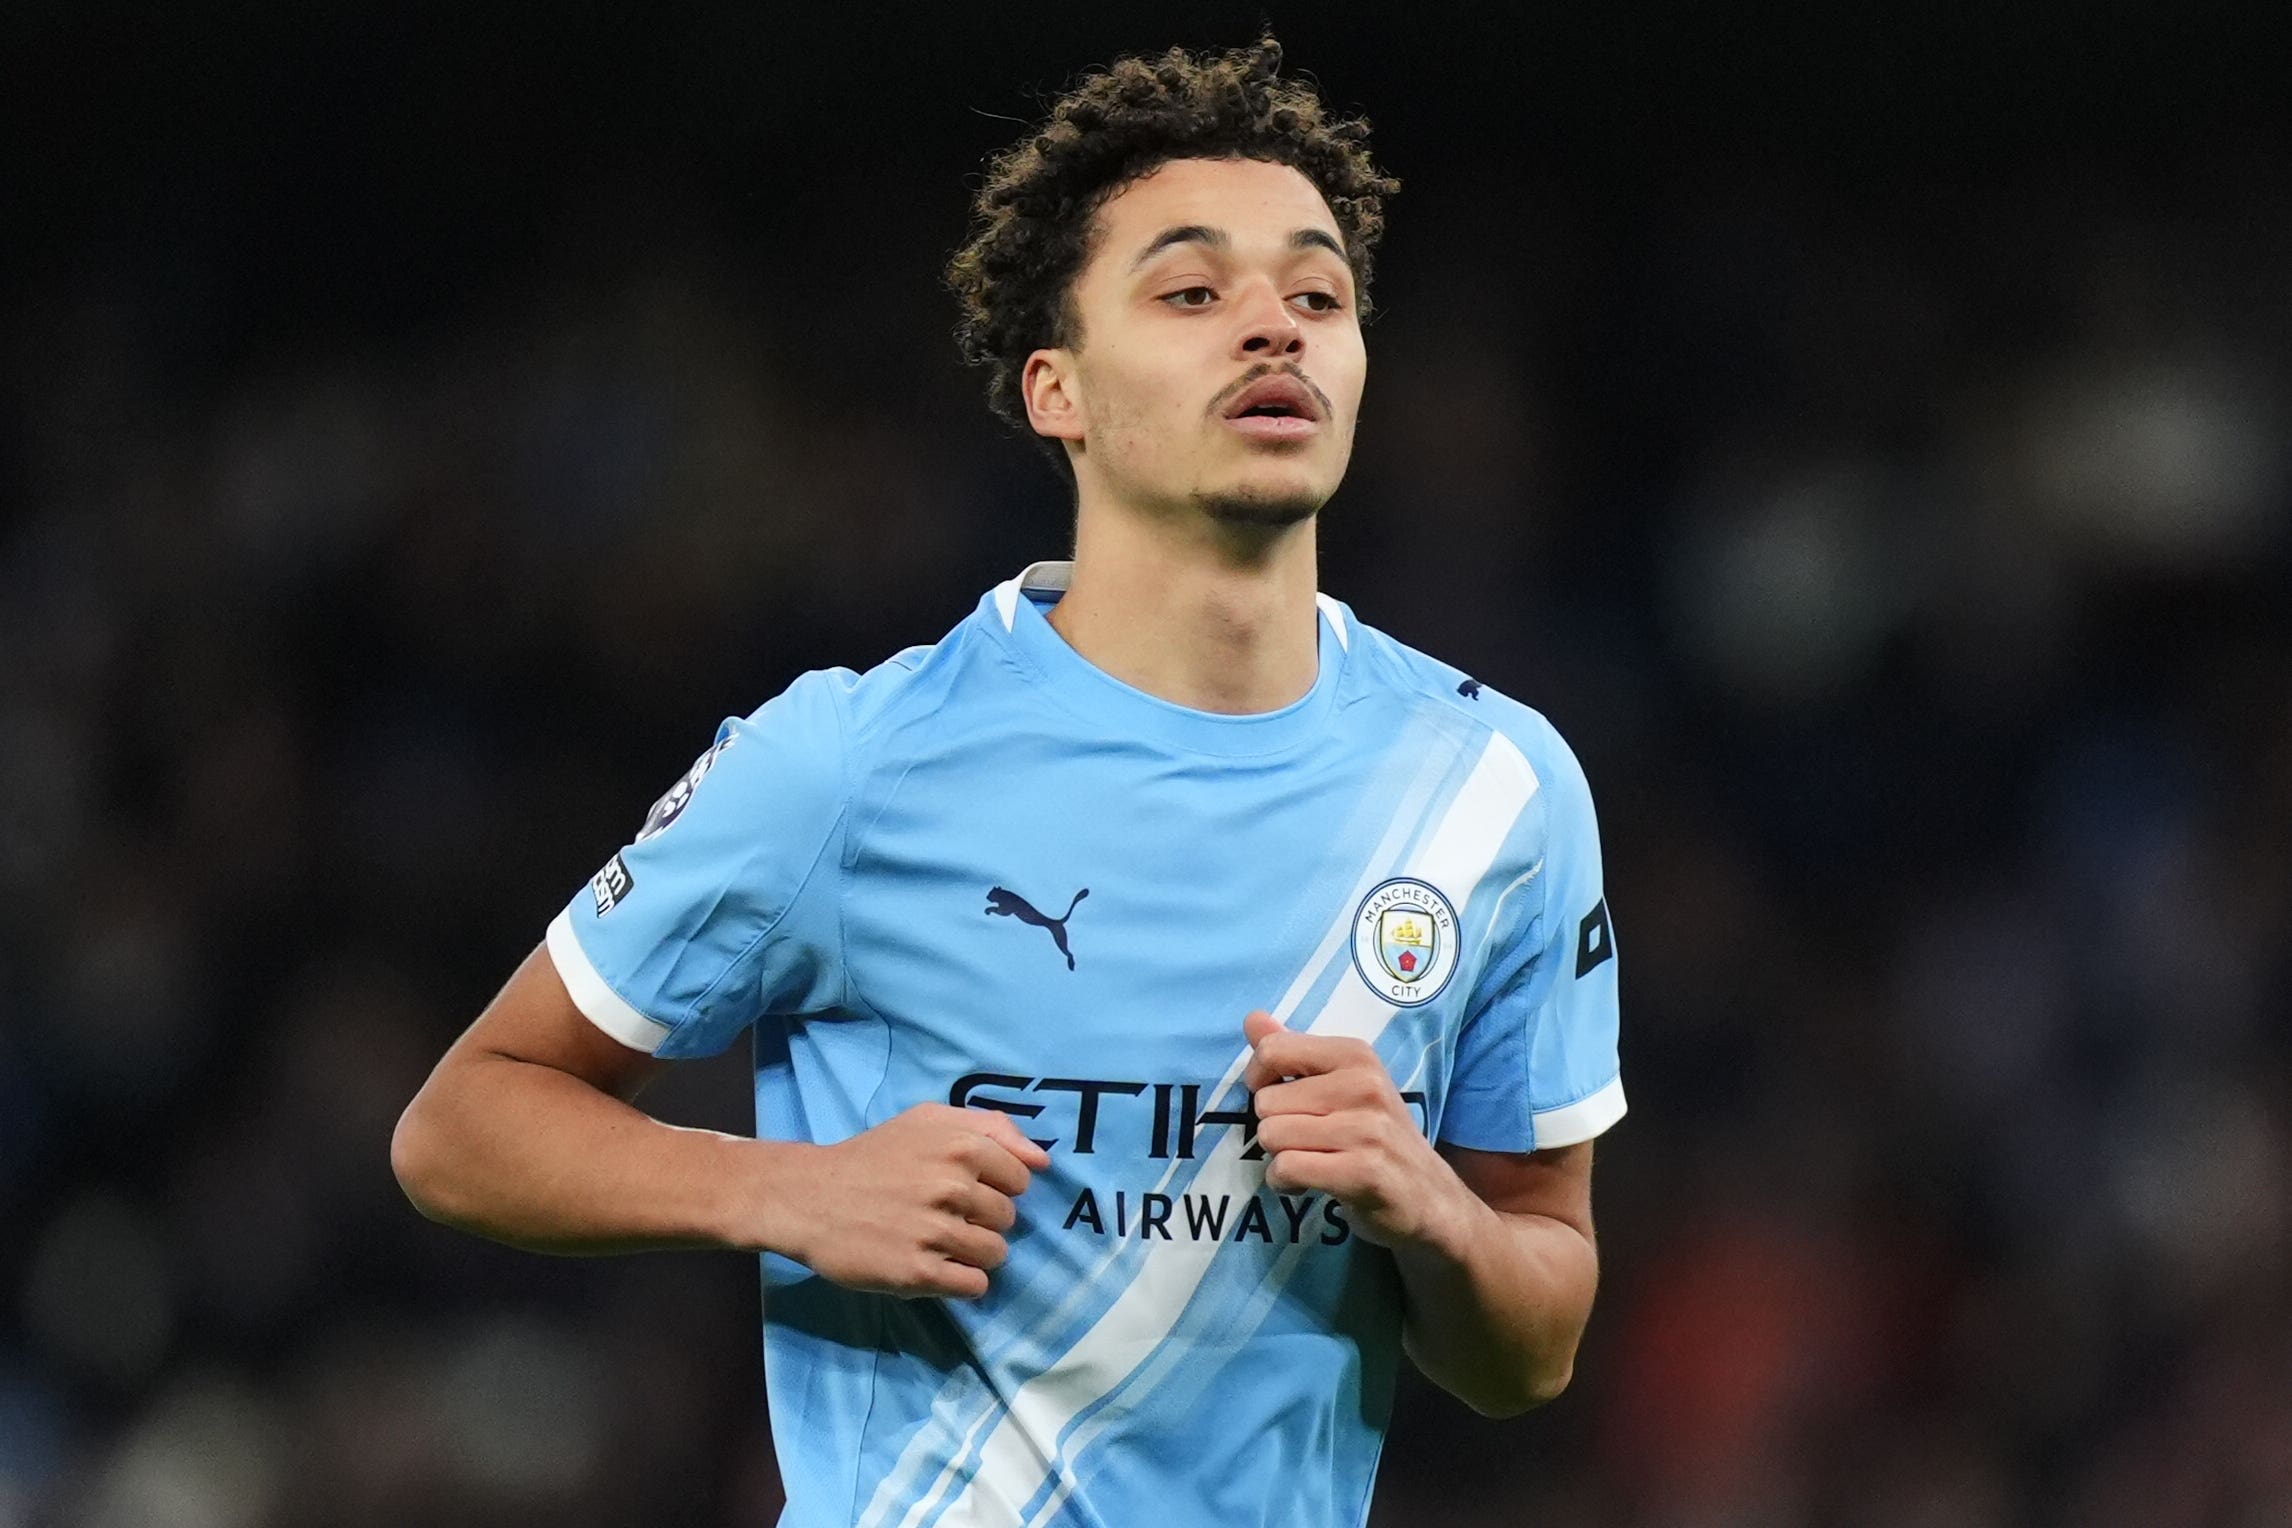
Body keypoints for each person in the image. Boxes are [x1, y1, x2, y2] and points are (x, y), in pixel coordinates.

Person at [392, 35, 1624, 1528]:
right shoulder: (851, 758)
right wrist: (786, 1191)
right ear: (1060, 391)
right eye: (1191, 292)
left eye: (1318, 294)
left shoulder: (1496, 791)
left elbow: (1533, 1344)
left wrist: (1432, 1215)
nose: (1273, 329)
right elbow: (463, 1127)